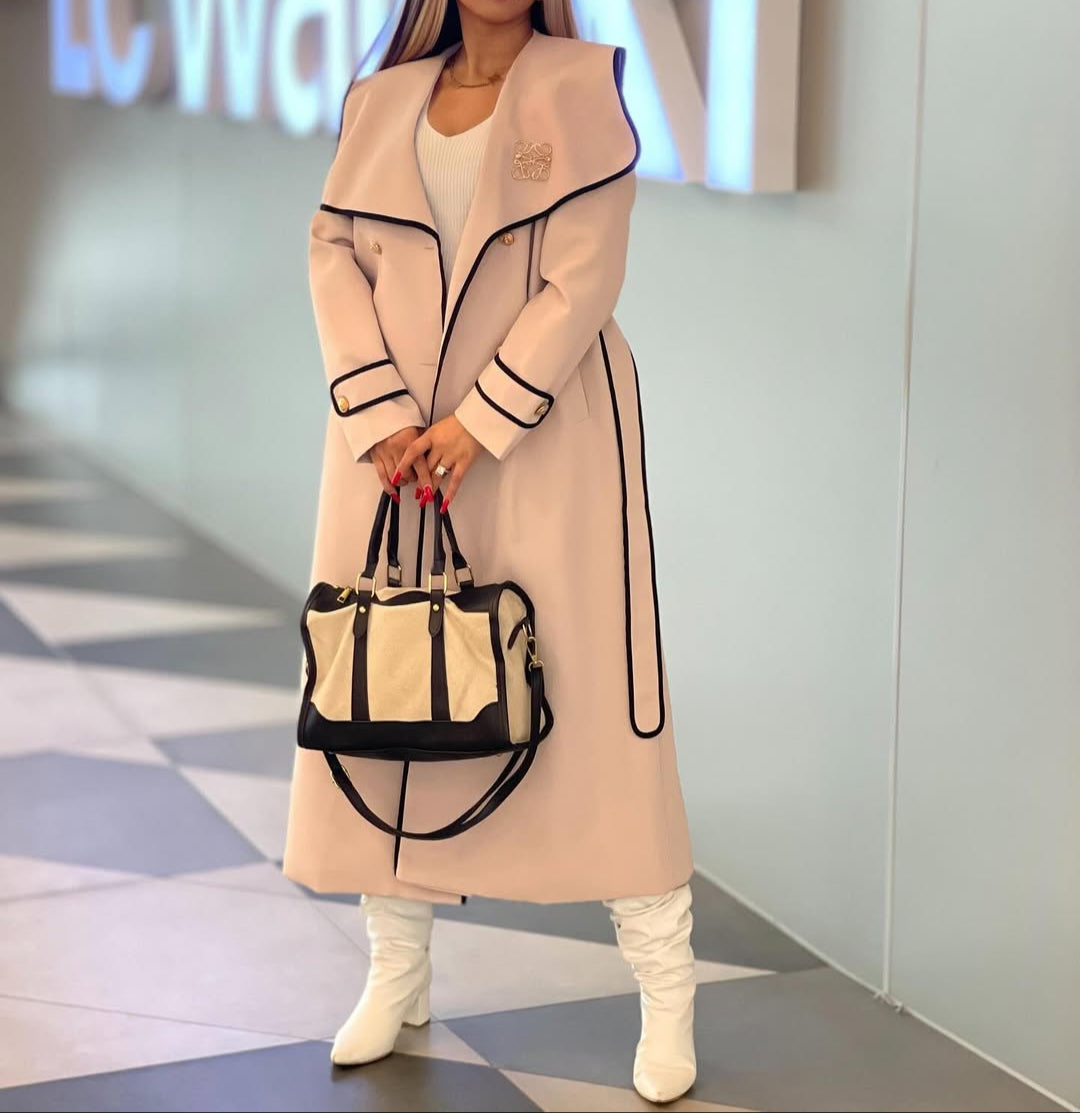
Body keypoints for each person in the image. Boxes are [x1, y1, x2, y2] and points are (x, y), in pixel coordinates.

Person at [282, 0, 697, 1102]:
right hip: (395, 455)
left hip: (546, 444)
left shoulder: (582, 86)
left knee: (594, 707)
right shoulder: (380, 100)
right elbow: (332, 252)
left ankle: (666, 993)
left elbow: (585, 278)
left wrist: (482, 419)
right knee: (390, 689)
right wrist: (380, 416)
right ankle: (396, 971)